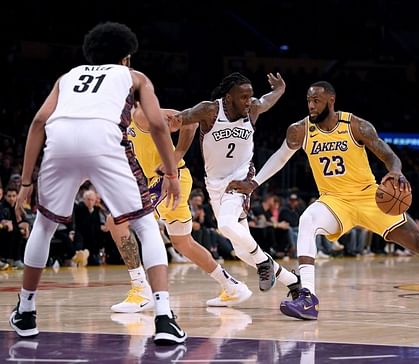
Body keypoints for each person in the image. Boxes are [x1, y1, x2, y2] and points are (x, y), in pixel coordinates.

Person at [226, 81, 419, 321]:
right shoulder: (300, 130)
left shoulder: (356, 125)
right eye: (308, 100)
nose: (311, 105)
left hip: (371, 198)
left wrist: (395, 171)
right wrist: (254, 183)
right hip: (334, 202)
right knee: (307, 218)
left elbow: (389, 156)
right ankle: (307, 297)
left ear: (331, 100)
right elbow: (281, 157)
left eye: (316, 100)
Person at [10, 21, 186, 345]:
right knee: (146, 225)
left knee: (44, 227)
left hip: (59, 142)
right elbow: (160, 125)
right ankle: (164, 317)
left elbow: (37, 122)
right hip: (105, 141)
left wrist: (25, 182)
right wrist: (172, 174)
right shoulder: (134, 77)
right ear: (126, 57)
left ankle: (26, 310)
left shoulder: (67, 77)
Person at [108, 103, 252, 313]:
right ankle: (232, 286)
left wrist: (174, 160)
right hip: (163, 180)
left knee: (115, 221)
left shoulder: (142, 114)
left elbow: (190, 122)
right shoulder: (118, 123)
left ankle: (141, 290)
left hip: (168, 179)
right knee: (182, 242)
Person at [173, 72, 301, 294]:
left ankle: (263, 263)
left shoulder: (252, 109)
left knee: (225, 225)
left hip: (241, 181)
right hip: (214, 185)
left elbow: (266, 101)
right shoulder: (210, 110)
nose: (249, 101)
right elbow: (179, 120)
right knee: (241, 251)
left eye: (250, 96)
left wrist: (280, 90)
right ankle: (292, 282)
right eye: (243, 96)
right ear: (229, 97)